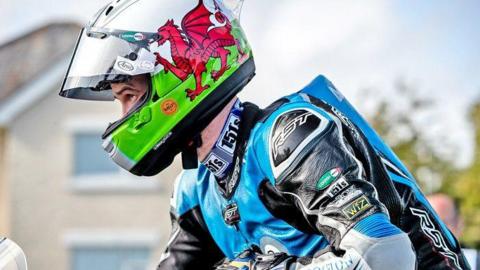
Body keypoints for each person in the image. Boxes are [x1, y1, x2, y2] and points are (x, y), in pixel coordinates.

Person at [59, 0, 470, 269]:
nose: (123, 114)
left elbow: (386, 254)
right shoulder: (196, 190)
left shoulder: (288, 136)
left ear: (180, 76)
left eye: (129, 96)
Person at [427, 193, 479, 269]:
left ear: (459, 224)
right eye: (428, 224)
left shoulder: (475, 262)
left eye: (441, 224)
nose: (433, 232)